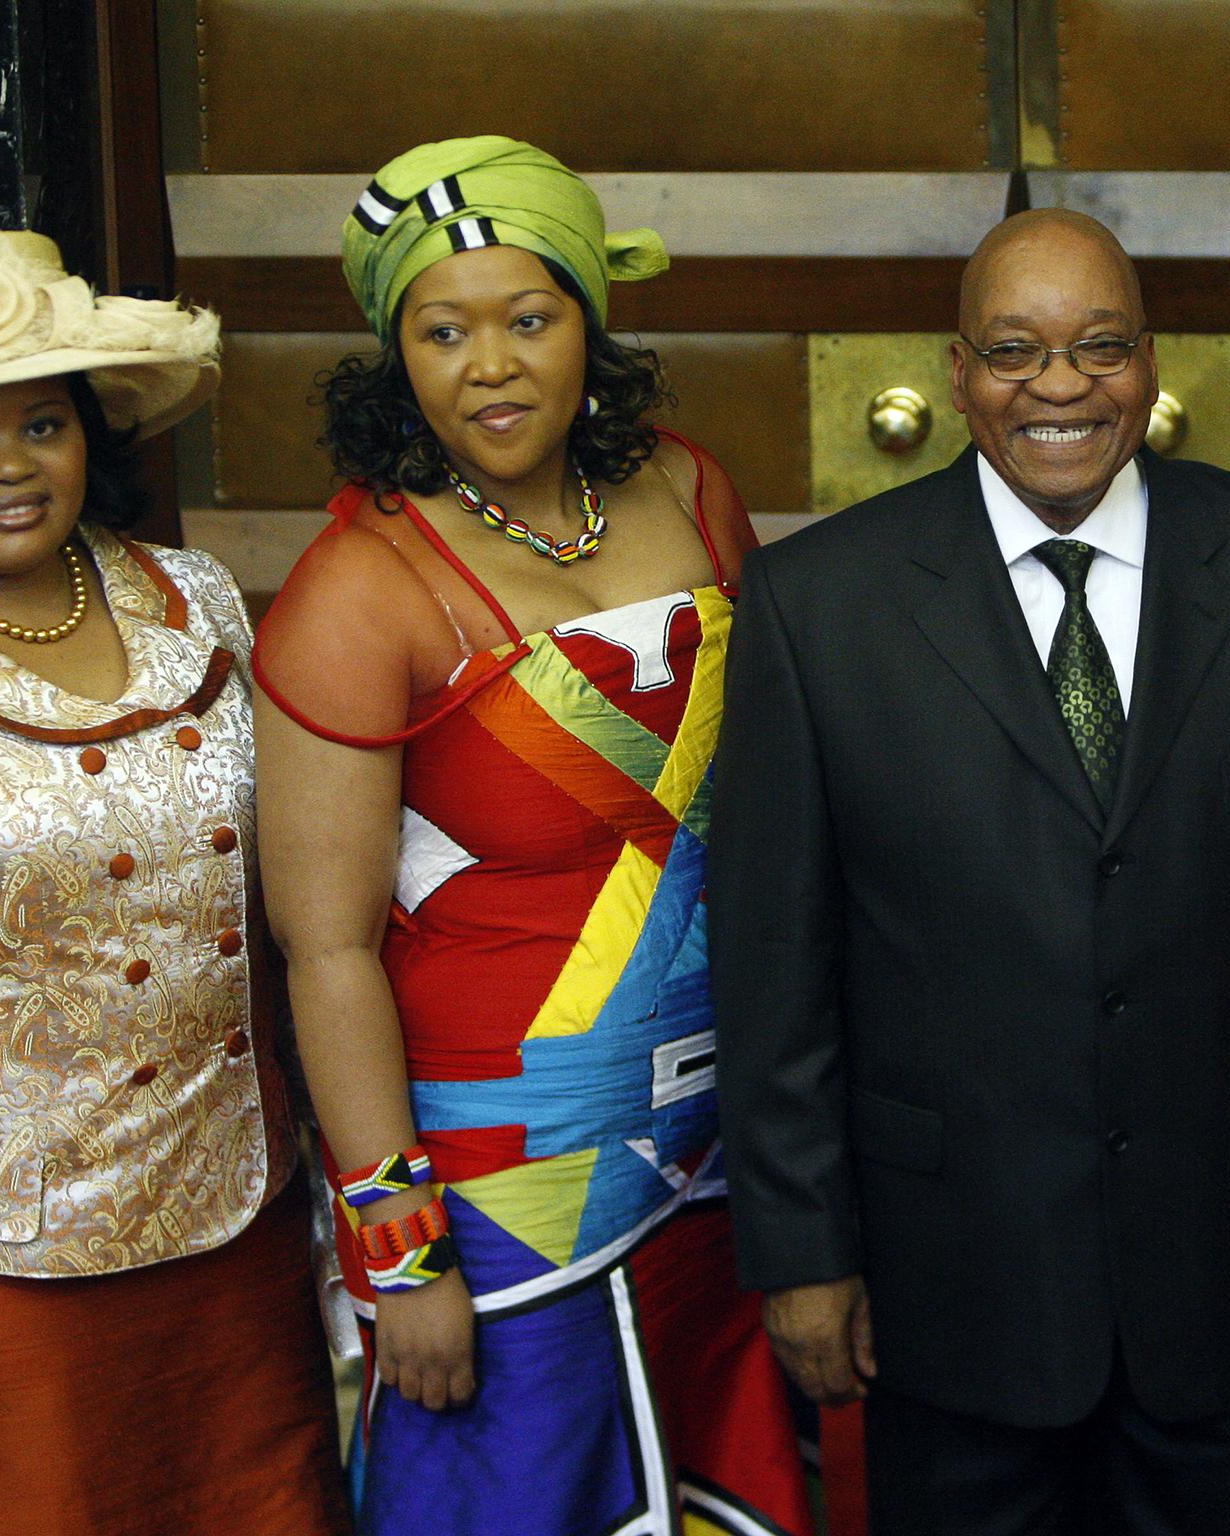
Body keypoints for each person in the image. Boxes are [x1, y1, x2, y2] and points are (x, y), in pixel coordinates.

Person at [709, 207, 1230, 1535]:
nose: (1061, 387)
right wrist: (801, 1255)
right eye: (1014, 353)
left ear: (1151, 361)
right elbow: (775, 962)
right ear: (955, 372)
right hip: (947, 1287)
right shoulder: (816, 604)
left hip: (1222, 1279)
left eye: (1101, 347)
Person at [251, 137, 812, 1536]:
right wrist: (399, 1255)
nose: (488, 365)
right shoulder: (359, 586)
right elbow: (323, 951)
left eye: (528, 319)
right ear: (395, 356)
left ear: (590, 323)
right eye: (442, 332)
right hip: (505, 1182)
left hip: (719, 1152)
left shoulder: (689, 490)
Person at [0, 228, 349, 1534]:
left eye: (39, 423)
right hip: (2, 1274)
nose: (8, 468)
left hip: (234, 1222)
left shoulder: (195, 596)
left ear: (90, 435)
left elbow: (285, 905)